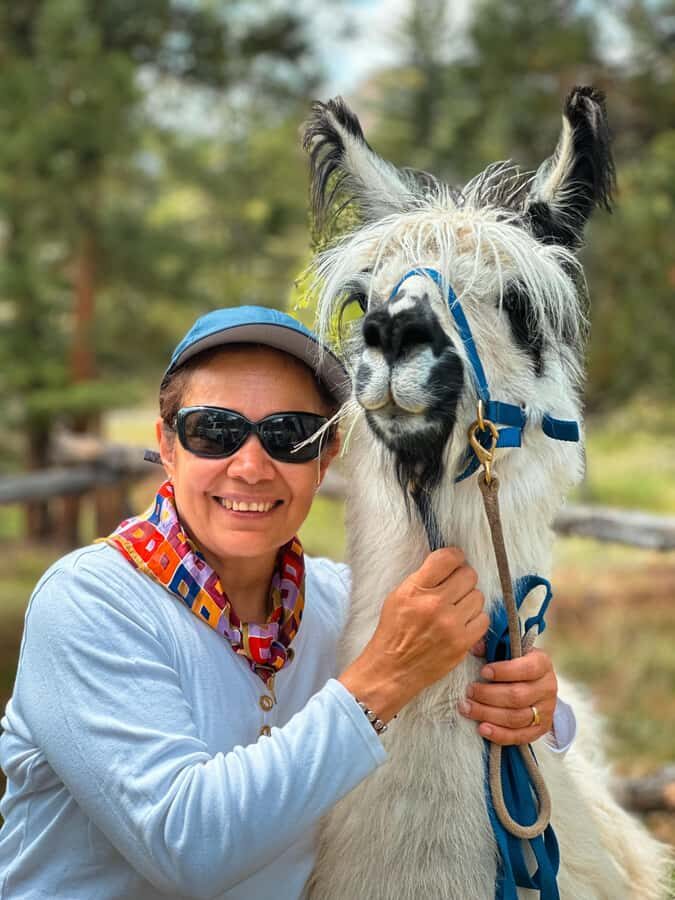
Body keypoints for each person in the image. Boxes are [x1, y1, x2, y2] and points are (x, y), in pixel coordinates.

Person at [0, 306, 573, 899]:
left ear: (325, 461)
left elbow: (495, 700)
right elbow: (187, 846)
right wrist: (383, 677)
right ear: (167, 446)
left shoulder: (338, 602)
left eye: (290, 435)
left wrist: (535, 707)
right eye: (214, 432)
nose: (250, 467)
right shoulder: (91, 604)